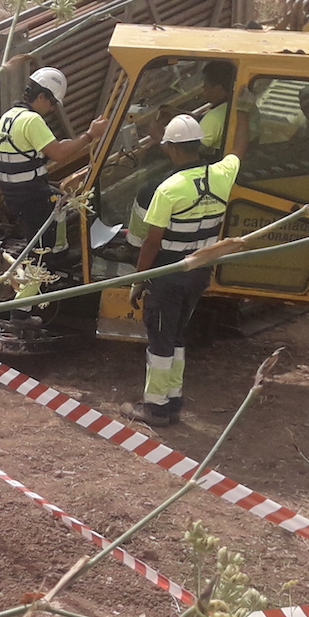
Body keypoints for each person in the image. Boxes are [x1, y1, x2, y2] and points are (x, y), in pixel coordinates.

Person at [121, 114, 240, 427]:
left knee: (160, 339)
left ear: (171, 149)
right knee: (177, 335)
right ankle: (173, 399)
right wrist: (244, 112)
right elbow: (237, 152)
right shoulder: (223, 174)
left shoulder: (169, 189)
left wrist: (138, 280)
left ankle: (156, 407)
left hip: (168, 276)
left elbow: (151, 243)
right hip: (199, 272)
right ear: (198, 145)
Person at [0, 67, 108, 245]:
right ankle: (53, 259)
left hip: (11, 192)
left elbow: (44, 150)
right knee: (57, 221)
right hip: (30, 195)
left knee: (55, 199)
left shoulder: (9, 116)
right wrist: (90, 135)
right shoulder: (32, 120)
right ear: (41, 97)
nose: (53, 108)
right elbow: (59, 153)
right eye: (52, 102)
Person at [197, 60, 234, 154]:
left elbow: (189, 154)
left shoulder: (214, 118)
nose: (203, 88)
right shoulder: (245, 107)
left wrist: (158, 134)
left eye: (206, 85)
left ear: (219, 89)